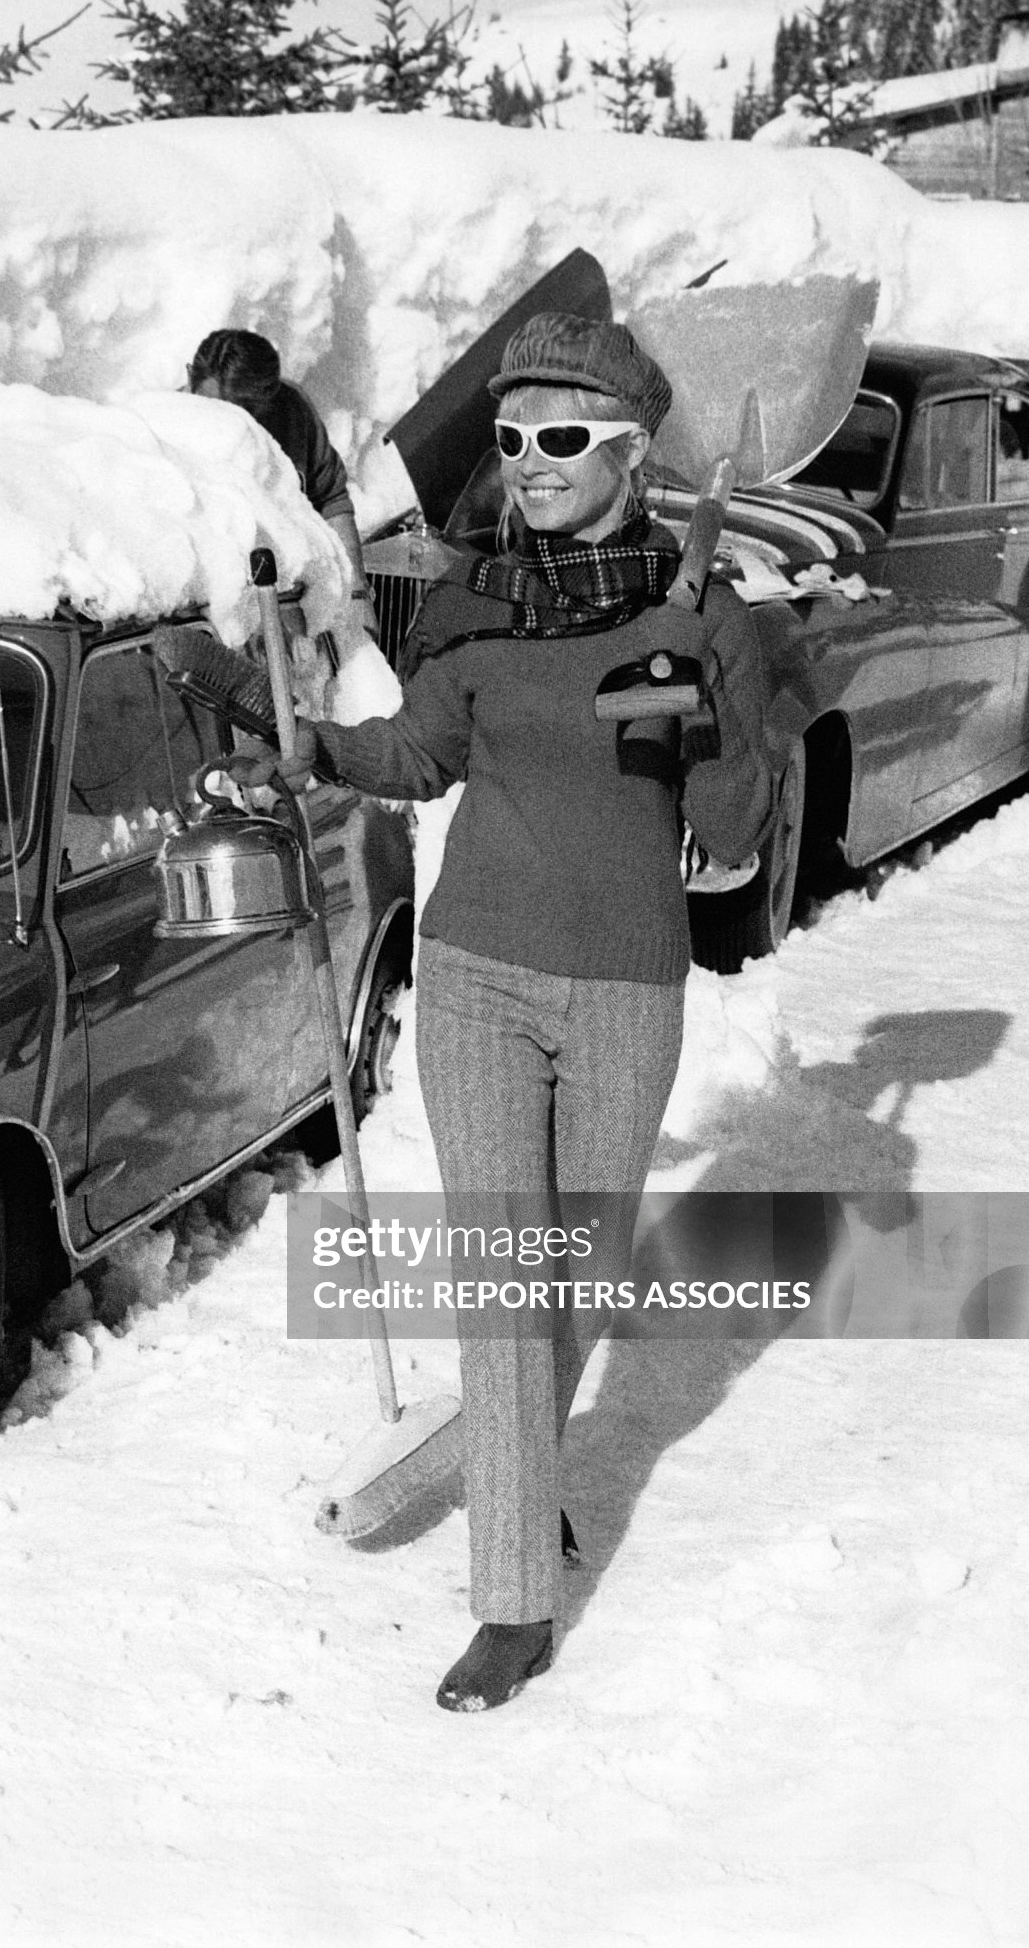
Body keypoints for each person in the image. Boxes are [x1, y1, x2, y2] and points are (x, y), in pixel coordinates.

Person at [273, 312, 776, 1712]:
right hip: (479, 974)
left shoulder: (706, 613)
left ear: (628, 453)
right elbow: (416, 753)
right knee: (506, 1292)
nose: (529, 464)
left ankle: (503, 1466)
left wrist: (708, 715)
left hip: (625, 984)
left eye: (561, 438)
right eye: (511, 440)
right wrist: (309, 746)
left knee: (578, 1280)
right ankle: (513, 1600)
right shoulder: (480, 604)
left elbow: (733, 841)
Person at [188, 329, 379, 639]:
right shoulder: (165, 439)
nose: (234, 424)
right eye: (217, 409)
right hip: (214, 625)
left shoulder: (291, 409)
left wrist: (357, 594)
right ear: (189, 381)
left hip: (292, 611)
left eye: (247, 412)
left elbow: (331, 499)